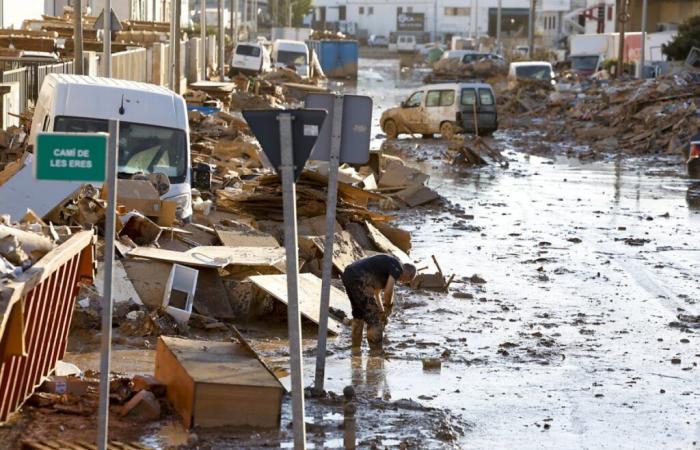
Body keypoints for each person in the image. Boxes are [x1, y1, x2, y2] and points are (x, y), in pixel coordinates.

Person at [341, 254, 416, 354]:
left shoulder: (386, 269)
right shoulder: (398, 267)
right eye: (407, 281)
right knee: (374, 321)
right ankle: (376, 353)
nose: (402, 282)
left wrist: (382, 311)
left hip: (349, 274)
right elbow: (389, 291)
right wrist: (388, 306)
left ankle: (355, 351)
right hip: (360, 277)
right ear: (409, 275)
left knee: (358, 315)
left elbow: (377, 293)